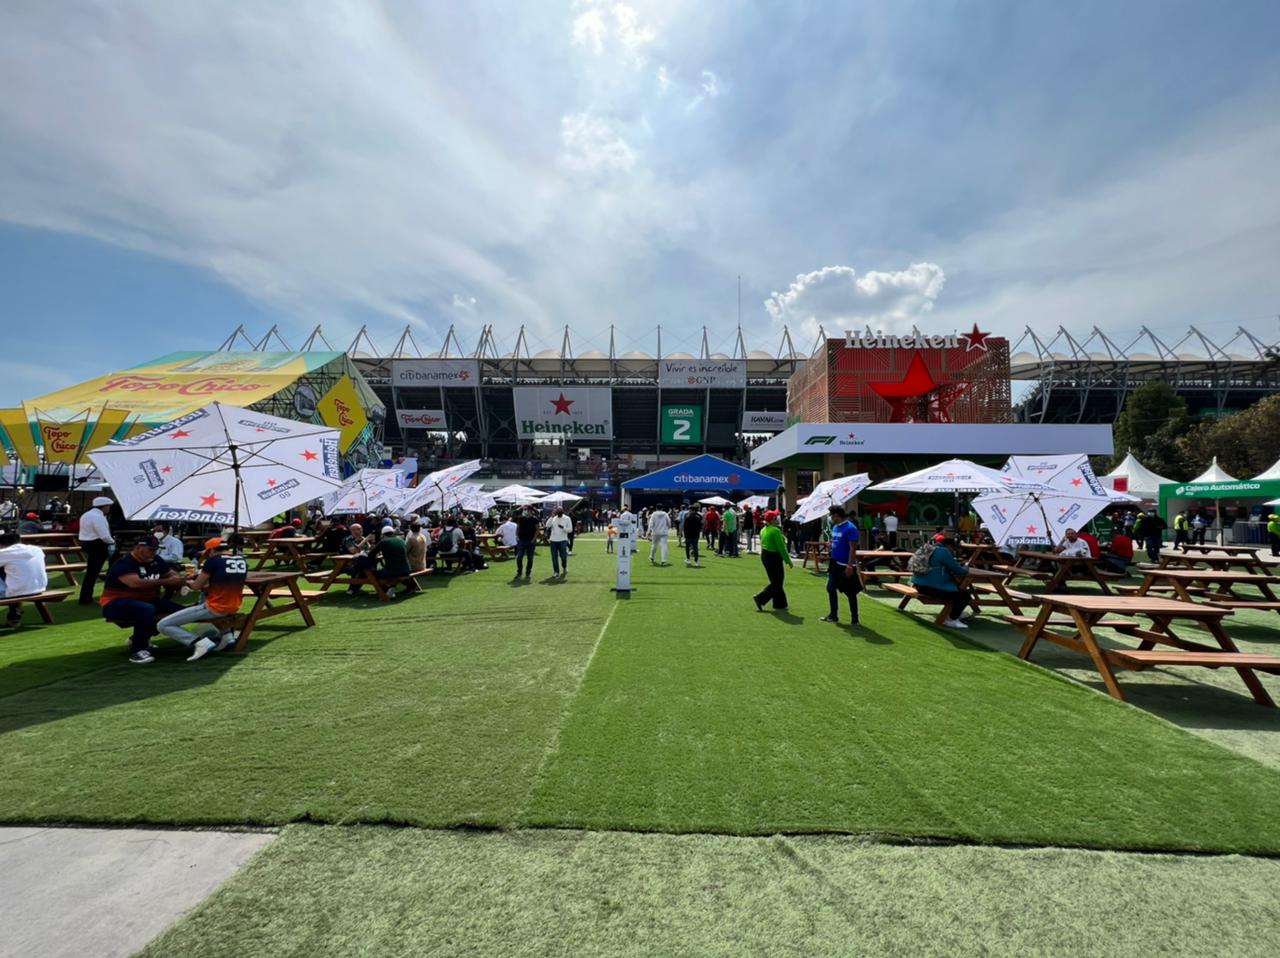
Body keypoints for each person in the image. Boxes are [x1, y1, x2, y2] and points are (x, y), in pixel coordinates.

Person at [158, 536, 247, 661]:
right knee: (205, 599)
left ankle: (199, 643)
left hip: (215, 607)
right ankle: (227, 637)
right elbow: (220, 581)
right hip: (234, 605)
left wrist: (186, 581)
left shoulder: (213, 561)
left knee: (163, 625)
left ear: (211, 550)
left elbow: (196, 586)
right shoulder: (241, 560)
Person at [100, 536, 187, 664]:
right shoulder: (124, 562)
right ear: (138, 548)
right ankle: (138, 650)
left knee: (181, 612)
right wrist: (168, 581)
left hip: (146, 601)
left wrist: (176, 579)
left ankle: (139, 638)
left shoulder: (156, 560)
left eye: (156, 549)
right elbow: (135, 583)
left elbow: (170, 573)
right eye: (151, 549)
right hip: (115, 602)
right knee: (146, 609)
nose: (154, 552)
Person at [910, 533, 973, 629]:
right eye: (953, 549)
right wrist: (966, 568)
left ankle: (956, 613)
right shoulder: (943, 551)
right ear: (949, 546)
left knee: (957, 592)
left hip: (918, 584)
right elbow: (958, 570)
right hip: (931, 587)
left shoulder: (926, 548)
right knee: (964, 596)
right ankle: (952, 619)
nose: (953, 552)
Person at [821, 505, 861, 625]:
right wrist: (831, 544)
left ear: (837, 516)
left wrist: (849, 566)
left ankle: (855, 619)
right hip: (834, 563)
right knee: (830, 588)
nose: (830, 517)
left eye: (832, 515)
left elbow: (852, 548)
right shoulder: (835, 527)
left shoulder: (850, 528)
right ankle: (833, 615)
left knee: (850, 592)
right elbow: (837, 541)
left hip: (845, 565)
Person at [0, 531, 49, 627]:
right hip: (39, 588)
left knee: (11, 580)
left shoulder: (4, 552)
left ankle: (14, 617)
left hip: (17, 591)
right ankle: (14, 617)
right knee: (14, 575)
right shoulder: (36, 549)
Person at [349, 526, 412, 596]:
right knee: (382, 571)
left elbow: (371, 554)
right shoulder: (400, 540)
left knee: (373, 574)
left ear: (383, 535)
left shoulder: (384, 542)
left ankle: (387, 590)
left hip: (393, 571)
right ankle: (409, 586)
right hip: (407, 569)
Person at [77, 495, 116, 605]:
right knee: (93, 572)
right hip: (97, 545)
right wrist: (113, 542)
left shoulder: (86, 515)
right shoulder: (98, 517)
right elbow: (104, 535)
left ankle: (85, 597)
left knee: (91, 572)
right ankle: (86, 598)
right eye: (108, 506)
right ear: (104, 507)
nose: (109, 509)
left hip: (86, 543)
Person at [753, 510, 792, 611]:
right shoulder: (775, 530)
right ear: (770, 520)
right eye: (775, 518)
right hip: (773, 556)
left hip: (765, 555)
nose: (777, 520)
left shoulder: (763, 529)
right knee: (778, 582)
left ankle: (780, 603)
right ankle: (760, 598)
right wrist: (788, 561)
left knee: (775, 581)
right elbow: (781, 548)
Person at [545, 507, 574, 579]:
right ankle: (556, 571)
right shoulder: (554, 518)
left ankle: (564, 566)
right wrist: (551, 517)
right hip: (553, 540)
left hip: (563, 540)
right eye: (557, 511)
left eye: (559, 511)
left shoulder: (567, 518)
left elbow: (570, 530)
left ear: (562, 511)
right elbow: (547, 525)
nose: (558, 513)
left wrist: (563, 528)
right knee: (554, 557)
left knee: (563, 556)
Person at [514, 506, 539, 580]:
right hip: (521, 541)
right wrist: (517, 536)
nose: (526, 511)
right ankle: (519, 572)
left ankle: (528, 572)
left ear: (531, 511)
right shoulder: (521, 518)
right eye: (525, 510)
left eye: (527, 510)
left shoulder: (534, 519)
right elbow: (518, 527)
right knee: (519, 557)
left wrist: (534, 539)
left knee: (530, 558)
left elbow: (537, 529)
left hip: (531, 541)